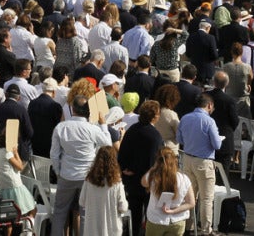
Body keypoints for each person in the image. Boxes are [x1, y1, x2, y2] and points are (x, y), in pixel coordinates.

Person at [50, 95, 112, 236]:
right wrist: (103, 124)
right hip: (87, 176)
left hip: (66, 174)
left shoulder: (61, 127)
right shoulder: (92, 129)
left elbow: (54, 154)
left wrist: (58, 171)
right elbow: (108, 144)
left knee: (60, 212)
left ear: (72, 109)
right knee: (85, 214)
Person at [176, 93, 222, 236]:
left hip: (187, 159)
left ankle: (188, 227)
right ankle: (206, 230)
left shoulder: (185, 118)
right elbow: (217, 144)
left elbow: (180, 138)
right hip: (204, 162)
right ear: (209, 105)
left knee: (189, 196)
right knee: (206, 198)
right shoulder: (209, 121)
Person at [118, 100, 164, 236]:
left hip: (132, 180)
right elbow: (154, 162)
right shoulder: (155, 136)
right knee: (149, 216)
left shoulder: (132, 129)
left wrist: (126, 169)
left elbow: (122, 154)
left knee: (135, 216)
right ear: (155, 116)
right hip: (148, 183)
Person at [142, 147, 196, 236]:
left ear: (157, 162)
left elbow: (143, 183)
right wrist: (173, 211)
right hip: (177, 221)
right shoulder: (184, 179)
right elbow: (191, 203)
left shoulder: (153, 178)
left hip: (156, 220)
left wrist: (153, 168)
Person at [79, 145, 129, 235]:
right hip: (111, 230)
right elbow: (123, 207)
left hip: (92, 230)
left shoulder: (89, 180)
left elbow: (82, 201)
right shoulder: (117, 183)